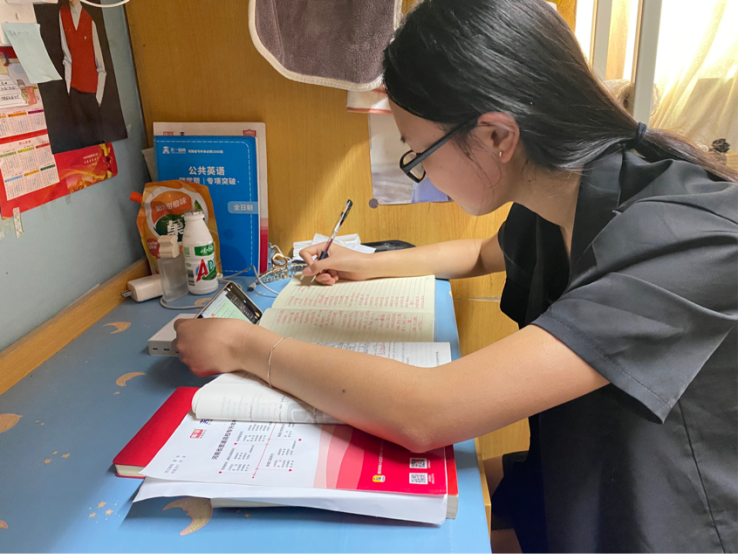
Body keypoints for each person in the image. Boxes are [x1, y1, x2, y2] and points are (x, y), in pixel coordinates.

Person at [173, 1, 738, 552]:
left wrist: (247, 347)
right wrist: (368, 264)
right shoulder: (567, 192)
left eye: (419, 152)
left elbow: (428, 411)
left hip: (666, 518)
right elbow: (480, 253)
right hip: (578, 475)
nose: (422, 171)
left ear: (497, 136)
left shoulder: (680, 238)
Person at [59, 0, 107, 146]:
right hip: (74, 91)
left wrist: (97, 98)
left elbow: (101, 66)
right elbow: (67, 55)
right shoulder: (62, 13)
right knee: (82, 142)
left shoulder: (89, 19)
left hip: (91, 93)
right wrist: (69, 89)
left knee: (98, 142)